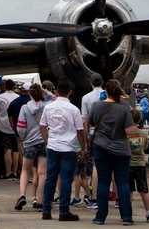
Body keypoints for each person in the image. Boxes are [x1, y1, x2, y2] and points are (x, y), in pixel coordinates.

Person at [39, 78, 86, 222]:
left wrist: (47, 141)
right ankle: (64, 210)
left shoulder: (48, 107)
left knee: (50, 177)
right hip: (68, 147)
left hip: (53, 145)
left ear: (56, 91)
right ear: (70, 92)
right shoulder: (74, 109)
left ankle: (46, 209)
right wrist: (83, 148)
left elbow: (42, 125)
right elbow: (80, 131)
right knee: (66, 178)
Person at [89, 79, 136, 226]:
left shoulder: (96, 105)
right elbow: (130, 130)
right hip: (121, 149)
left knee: (103, 181)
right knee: (122, 182)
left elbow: (91, 122)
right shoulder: (124, 108)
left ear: (106, 91)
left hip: (101, 146)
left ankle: (100, 216)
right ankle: (126, 216)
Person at [12, 83, 46, 211]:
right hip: (43, 142)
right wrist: (46, 92)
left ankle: (22, 195)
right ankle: (41, 200)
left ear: (29, 94)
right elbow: (54, 99)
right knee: (42, 172)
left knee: (25, 170)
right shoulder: (47, 107)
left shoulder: (25, 108)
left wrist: (24, 137)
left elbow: (20, 127)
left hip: (30, 142)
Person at [80, 73, 104, 210]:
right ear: (102, 82)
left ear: (91, 83)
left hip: (93, 133)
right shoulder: (109, 95)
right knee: (112, 167)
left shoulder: (86, 98)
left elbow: (84, 122)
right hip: (110, 133)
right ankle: (117, 197)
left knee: (95, 166)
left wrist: (84, 142)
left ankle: (94, 197)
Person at [127, 108, 149, 224]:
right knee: (144, 189)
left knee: (129, 190)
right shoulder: (143, 133)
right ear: (139, 121)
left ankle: (128, 213)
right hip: (140, 163)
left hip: (128, 164)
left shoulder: (127, 134)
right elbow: (145, 147)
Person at [0, 79, 19, 180]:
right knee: (15, 150)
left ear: (4, 87)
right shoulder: (17, 97)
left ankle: (8, 172)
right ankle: (15, 171)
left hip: (3, 125)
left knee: (7, 149)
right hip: (15, 126)